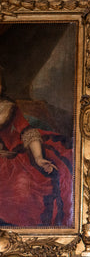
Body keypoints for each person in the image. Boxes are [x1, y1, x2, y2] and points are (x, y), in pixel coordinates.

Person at [0, 69, 74, 227]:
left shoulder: (8, 109)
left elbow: (28, 133)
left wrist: (39, 158)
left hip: (14, 155)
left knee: (23, 187)